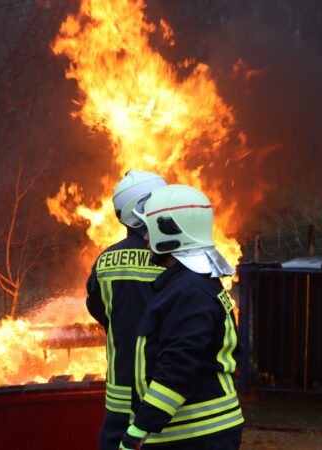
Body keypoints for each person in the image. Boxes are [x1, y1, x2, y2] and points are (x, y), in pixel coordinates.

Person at [120, 184, 243, 449]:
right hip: (195, 434)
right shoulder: (190, 285)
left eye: (149, 230)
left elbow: (178, 365)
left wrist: (140, 428)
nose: (144, 238)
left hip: (196, 436)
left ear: (170, 231)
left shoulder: (190, 292)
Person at [86, 170, 167, 450]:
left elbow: (98, 310)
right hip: (164, 397)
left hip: (118, 399)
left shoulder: (104, 261)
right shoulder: (173, 259)